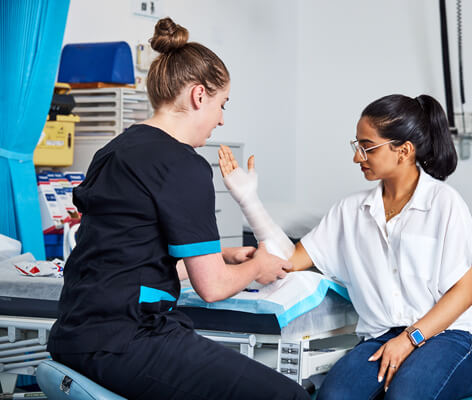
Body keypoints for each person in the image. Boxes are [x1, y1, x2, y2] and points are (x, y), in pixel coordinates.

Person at [47, 17, 310, 400]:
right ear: (199, 96)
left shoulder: (114, 151)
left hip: (76, 334)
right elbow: (213, 287)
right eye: (222, 104)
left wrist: (222, 254)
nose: (221, 118)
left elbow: (129, 251)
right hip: (128, 340)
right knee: (290, 397)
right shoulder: (183, 164)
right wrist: (258, 266)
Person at [219, 94, 472, 399]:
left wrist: (411, 339)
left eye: (367, 147)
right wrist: (249, 200)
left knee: (406, 395)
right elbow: (289, 260)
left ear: (404, 151)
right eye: (357, 146)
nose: (357, 157)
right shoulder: (349, 211)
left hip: (448, 339)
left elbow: (464, 293)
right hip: (379, 337)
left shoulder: (445, 203)